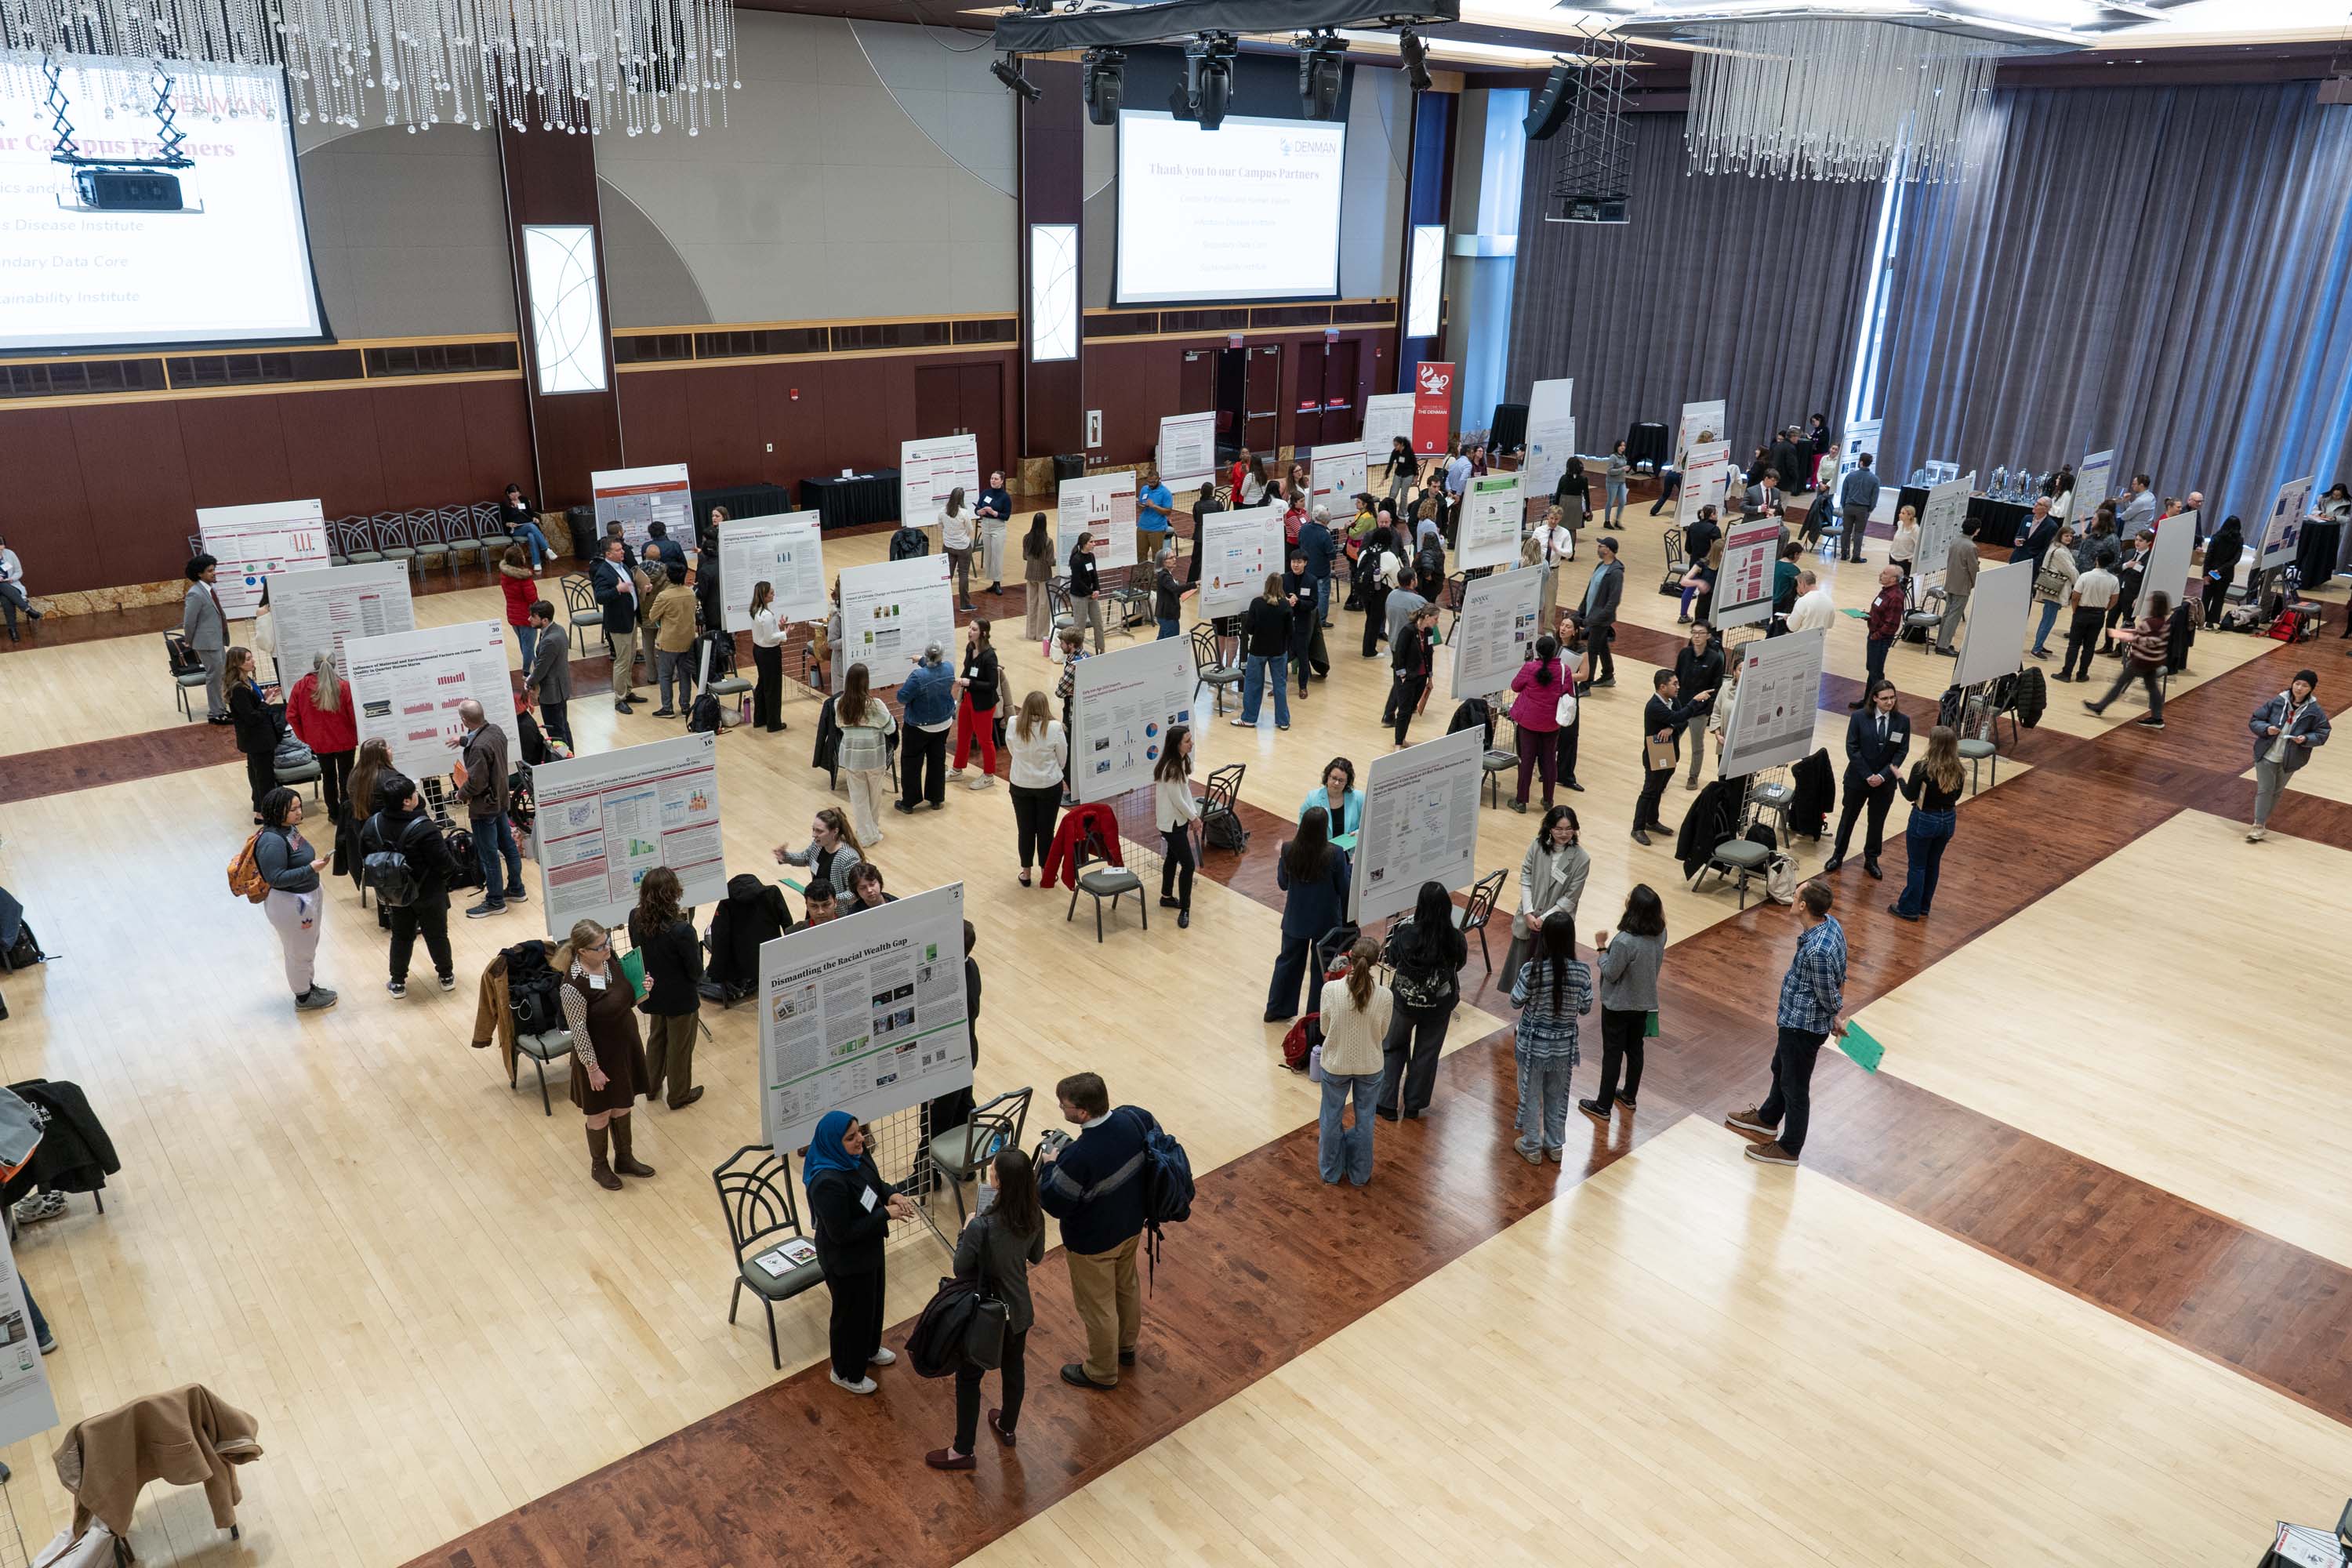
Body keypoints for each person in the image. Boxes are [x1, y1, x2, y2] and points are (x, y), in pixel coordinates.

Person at [925, 1145, 1047, 1469]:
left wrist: (966, 1229)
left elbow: (959, 1266)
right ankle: (1007, 1426)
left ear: (999, 1182)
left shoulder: (982, 1225)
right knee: (1014, 1367)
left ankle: (963, 1450)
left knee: (969, 1378)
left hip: (984, 1313)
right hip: (1019, 1308)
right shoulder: (1034, 1212)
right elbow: (1035, 1256)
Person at [1037, 1072, 1152, 1391]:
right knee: (1126, 1287)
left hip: (1093, 1242)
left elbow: (1055, 1201)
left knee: (1098, 1307)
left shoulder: (1078, 1156)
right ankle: (1126, 1349)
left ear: (1083, 1113)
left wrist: (1050, 1164)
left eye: (1065, 1106)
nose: (1062, 1109)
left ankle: (1101, 1371)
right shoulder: (1132, 1120)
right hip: (1131, 1225)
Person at [1726, 880, 1846, 1167]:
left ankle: (1789, 1148)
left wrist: (1836, 1014)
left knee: (1796, 1088)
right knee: (1780, 1068)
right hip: (1794, 1019)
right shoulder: (1831, 925)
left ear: (1804, 905)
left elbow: (1827, 991)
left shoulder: (1817, 949)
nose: (1792, 897)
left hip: (1803, 1027)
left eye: (1795, 895)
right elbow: (1842, 971)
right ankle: (1767, 1118)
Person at [803, 1109, 914, 1393]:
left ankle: (868, 1349)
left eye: (859, 1132)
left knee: (873, 1304)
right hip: (845, 1260)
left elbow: (875, 1184)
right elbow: (842, 1234)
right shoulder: (827, 1182)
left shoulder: (858, 1155)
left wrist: (893, 1194)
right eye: (850, 1137)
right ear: (833, 1143)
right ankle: (846, 1372)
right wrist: (885, 1215)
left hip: (869, 1247)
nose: (860, 1140)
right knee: (850, 1316)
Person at [1377, 880, 1465, 1121]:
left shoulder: (1404, 933)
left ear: (1420, 906)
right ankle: (1414, 1105)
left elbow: (1392, 960)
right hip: (1439, 1006)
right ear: (1447, 908)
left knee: (1393, 1047)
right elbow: (1461, 963)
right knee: (1426, 1054)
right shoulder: (1455, 938)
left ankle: (1386, 1103)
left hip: (1404, 1003)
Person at [361, 771, 455, 997]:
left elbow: (365, 856)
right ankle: (446, 976)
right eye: (414, 794)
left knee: (401, 936)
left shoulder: (372, 824)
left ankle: (397, 982)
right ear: (406, 801)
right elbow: (446, 864)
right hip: (429, 891)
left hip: (394, 892)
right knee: (437, 934)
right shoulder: (425, 828)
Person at [1508, 912, 1591, 1164]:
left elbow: (1515, 1001)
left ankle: (1531, 1145)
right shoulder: (1582, 972)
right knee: (1557, 1095)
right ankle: (1555, 1145)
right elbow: (1585, 1006)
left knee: (1530, 1094)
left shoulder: (1531, 970)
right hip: (1564, 1047)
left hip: (1533, 1046)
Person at [1581, 885, 1665, 1120]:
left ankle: (1603, 1106)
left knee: (1612, 1055)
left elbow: (1610, 972)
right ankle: (1629, 1095)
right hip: (1644, 1003)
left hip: (1618, 1006)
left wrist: (1600, 947)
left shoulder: (1625, 941)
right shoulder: (1661, 933)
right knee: (1635, 1050)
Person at [627, 866, 705, 1110]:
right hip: (681, 998)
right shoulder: (682, 930)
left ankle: (651, 1087)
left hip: (652, 992)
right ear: (673, 894)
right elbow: (695, 970)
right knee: (680, 1047)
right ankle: (678, 1094)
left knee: (657, 1038)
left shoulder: (634, 917)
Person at [253, 786, 336, 1012]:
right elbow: (277, 878)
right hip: (290, 903)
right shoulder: (271, 841)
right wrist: (311, 868)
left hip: (306, 896)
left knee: (308, 946)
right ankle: (303, 996)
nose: (299, 813)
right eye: (293, 809)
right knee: (299, 951)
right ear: (276, 811)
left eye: (300, 807)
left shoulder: (288, 829)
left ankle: (308, 986)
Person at [1316, 938, 1391, 1186]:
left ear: (1349, 956)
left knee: (1331, 1117)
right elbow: (1382, 1033)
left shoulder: (1330, 990)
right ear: (1376, 962)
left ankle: (1330, 1172)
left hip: (1335, 1063)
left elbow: (1325, 1029)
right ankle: (1360, 1175)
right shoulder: (1385, 996)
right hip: (1370, 1066)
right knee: (1366, 1120)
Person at [1266, 807, 1349, 1022]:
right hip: (1326, 922)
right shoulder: (1336, 853)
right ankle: (1316, 1016)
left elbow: (1283, 884)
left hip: (1296, 919)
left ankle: (1277, 1009)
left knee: (1288, 962)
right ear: (1324, 828)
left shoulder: (1288, 849)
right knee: (1323, 969)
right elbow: (1344, 888)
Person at [1825, 680, 1910, 877]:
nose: (1890, 702)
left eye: (1892, 697)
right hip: (1858, 780)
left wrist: (1882, 775)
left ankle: (1871, 859)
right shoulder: (1858, 717)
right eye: (1885, 698)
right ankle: (1838, 855)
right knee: (1848, 818)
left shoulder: (1902, 721)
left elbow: (1901, 752)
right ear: (1875, 698)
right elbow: (1852, 748)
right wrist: (1868, 775)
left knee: (1877, 822)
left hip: (1884, 783)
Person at [451, 699, 524, 917]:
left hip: (485, 807)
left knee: (488, 854)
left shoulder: (479, 748)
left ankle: (495, 901)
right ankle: (516, 889)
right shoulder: (495, 731)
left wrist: (460, 794)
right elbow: (483, 745)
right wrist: (463, 740)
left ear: (464, 720)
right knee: (508, 846)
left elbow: (477, 782)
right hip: (500, 801)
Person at [1888, 724, 1965, 921]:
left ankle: (1909, 908)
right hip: (1948, 819)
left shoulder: (1922, 768)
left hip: (1925, 818)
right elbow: (1956, 796)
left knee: (1917, 866)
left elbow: (1910, 795)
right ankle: (1924, 906)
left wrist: (1900, 778)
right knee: (1933, 863)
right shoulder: (1959, 769)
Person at [2247, 669, 2330, 842]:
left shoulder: (2315, 710)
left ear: (2311, 689)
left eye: (2305, 685)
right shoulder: (2278, 701)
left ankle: (2261, 823)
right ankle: (2258, 825)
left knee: (2276, 792)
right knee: (2265, 790)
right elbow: (2255, 720)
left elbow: (2323, 732)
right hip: (2266, 755)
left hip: (2291, 759)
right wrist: (2266, 729)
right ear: (2292, 683)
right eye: (2297, 683)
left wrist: (2306, 738)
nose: (2299, 688)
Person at [283, 651, 357, 825]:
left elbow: (291, 716)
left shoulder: (300, 687)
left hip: (319, 742)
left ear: (314, 665)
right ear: (334, 665)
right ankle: (347, 815)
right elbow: (354, 716)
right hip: (345, 740)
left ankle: (334, 814)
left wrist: (306, 737)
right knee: (346, 777)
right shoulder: (345, 687)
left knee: (328, 776)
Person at [1634, 669, 1704, 847]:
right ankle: (1638, 828)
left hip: (1670, 753)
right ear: (1662, 687)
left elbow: (1682, 721)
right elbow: (1679, 716)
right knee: (1649, 791)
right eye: (1674, 684)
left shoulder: (1673, 700)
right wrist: (1694, 701)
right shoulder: (1654, 706)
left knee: (1659, 789)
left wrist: (1671, 728)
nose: (1678, 687)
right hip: (1655, 755)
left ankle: (1652, 821)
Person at [2083, 590, 2172, 729]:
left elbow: (2138, 639)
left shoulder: (2149, 623)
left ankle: (2100, 707)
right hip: (2154, 661)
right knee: (2153, 689)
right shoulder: (2164, 623)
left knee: (2120, 684)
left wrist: (2117, 634)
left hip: (2141, 662)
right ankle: (2157, 717)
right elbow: (2150, 639)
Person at [1007, 690, 1065, 887]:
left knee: (1025, 830)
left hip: (1020, 784)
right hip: (1049, 785)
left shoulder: (1014, 723)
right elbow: (1062, 759)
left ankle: (1026, 873)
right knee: (1046, 830)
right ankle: (1046, 873)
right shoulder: (1055, 728)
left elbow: (1012, 750)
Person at [1507, 634, 1571, 811]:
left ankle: (1521, 802)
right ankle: (1548, 800)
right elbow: (1569, 692)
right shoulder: (1565, 670)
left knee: (1526, 760)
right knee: (1549, 760)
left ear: (1538, 651)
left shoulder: (1530, 667)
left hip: (1528, 723)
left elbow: (1515, 686)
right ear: (1555, 651)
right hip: (1551, 724)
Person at [897, 641, 956, 813]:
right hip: (943, 723)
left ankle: (909, 802)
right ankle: (936, 798)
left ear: (926, 655)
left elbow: (902, 698)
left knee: (911, 762)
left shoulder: (917, 677)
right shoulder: (949, 669)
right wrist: (922, 660)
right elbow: (935, 670)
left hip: (919, 726)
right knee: (937, 760)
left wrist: (922, 662)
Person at [779, 807, 868, 916]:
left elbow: (854, 893)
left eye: (819, 831)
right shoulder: (818, 845)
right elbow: (806, 857)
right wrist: (786, 857)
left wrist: (830, 900)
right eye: (813, 829)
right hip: (816, 905)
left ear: (835, 831)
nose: (814, 835)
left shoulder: (849, 858)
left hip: (836, 912)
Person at [1154, 725, 1200, 928]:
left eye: (1191, 739)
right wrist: (1194, 818)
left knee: (1173, 857)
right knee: (1189, 865)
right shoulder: (1172, 768)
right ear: (1177, 745)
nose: (1191, 743)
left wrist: (1193, 816)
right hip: (1171, 823)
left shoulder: (1180, 762)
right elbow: (1177, 800)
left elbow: (1186, 793)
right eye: (1187, 741)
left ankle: (1166, 896)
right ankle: (1185, 909)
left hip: (1178, 821)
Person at [1235, 574, 1294, 731]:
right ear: (1281, 586)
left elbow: (1250, 628)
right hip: (1279, 650)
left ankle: (1248, 719)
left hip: (1258, 650)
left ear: (1266, 585)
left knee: (1253, 684)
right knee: (1279, 685)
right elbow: (1290, 631)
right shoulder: (1285, 605)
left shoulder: (1256, 603)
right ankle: (1283, 721)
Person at [1671, 622, 1726, 789]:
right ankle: (1664, 773)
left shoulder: (1715, 659)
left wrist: (1708, 710)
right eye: (1694, 632)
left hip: (1699, 711)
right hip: (1681, 707)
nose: (1696, 636)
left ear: (1708, 636)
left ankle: (1693, 777)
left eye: (1700, 633)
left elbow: (1716, 688)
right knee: (1671, 741)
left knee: (1697, 745)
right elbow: (1676, 678)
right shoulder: (1684, 654)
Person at [225, 647, 278, 819]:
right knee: (263, 777)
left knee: (258, 774)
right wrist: (267, 703)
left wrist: (264, 696)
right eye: (248, 659)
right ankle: (266, 813)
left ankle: (260, 809)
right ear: (237, 664)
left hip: (258, 737)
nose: (253, 661)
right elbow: (252, 717)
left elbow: (252, 704)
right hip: (257, 739)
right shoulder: (239, 689)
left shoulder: (247, 682)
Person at [948, 620, 1001, 789]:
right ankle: (957, 769)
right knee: (963, 735)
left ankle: (988, 775)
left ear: (983, 633)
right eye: (969, 628)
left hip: (983, 704)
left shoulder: (990, 656)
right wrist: (961, 682)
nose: (969, 631)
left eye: (974, 629)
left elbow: (992, 685)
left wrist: (970, 683)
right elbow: (967, 668)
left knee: (985, 740)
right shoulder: (970, 648)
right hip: (968, 699)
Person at [590, 538, 641, 712]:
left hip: (631, 618)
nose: (623, 552)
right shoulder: (603, 572)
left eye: (622, 549)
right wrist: (617, 590)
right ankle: (619, 699)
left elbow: (631, 588)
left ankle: (627, 691)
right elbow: (600, 597)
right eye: (618, 550)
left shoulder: (623, 566)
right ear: (608, 554)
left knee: (631, 657)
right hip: (619, 622)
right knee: (622, 660)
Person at [2057, 547, 2121, 684]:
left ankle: (2066, 673)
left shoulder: (2085, 576)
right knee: (2089, 646)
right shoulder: (2114, 580)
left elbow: (2075, 597)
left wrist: (2075, 610)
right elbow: (2114, 600)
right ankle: (2082, 674)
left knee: (2074, 644)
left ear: (2097, 560)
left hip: (2082, 612)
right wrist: (2105, 609)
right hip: (2099, 614)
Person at [645, 563, 699, 717]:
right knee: (685, 675)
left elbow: (652, 616)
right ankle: (685, 706)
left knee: (665, 676)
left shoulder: (664, 596)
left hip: (668, 642)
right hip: (688, 641)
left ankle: (667, 708)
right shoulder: (690, 593)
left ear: (668, 576)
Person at [183, 554, 232, 723]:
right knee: (214, 677)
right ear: (199, 574)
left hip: (217, 640)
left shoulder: (209, 590)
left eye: (214, 569)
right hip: (207, 643)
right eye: (210, 571)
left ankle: (222, 708)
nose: (214, 573)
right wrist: (188, 640)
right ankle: (216, 713)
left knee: (222, 675)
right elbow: (189, 621)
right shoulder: (195, 594)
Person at [522, 600, 574, 750]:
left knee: (556, 731)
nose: (529, 619)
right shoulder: (559, 630)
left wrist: (528, 682)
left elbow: (541, 669)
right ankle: (571, 758)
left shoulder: (550, 640)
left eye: (533, 617)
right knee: (563, 726)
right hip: (561, 688)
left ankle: (564, 764)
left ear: (544, 620)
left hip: (552, 693)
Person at [1573, 536, 1622, 688]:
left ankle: (1586, 684)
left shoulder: (1616, 573)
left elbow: (1614, 601)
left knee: (1592, 650)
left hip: (1601, 619)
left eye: (1601, 546)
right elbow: (1590, 591)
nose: (1598, 548)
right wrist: (1580, 611)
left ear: (1608, 550)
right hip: (1592, 614)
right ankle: (1608, 675)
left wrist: (1595, 618)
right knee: (1602, 645)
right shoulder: (1601, 565)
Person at [1388, 603, 1439, 747]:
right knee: (1403, 710)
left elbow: (1429, 654)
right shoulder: (1408, 630)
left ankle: (1402, 738)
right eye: (1435, 619)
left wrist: (1430, 678)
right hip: (1408, 678)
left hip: (1421, 677)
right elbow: (1399, 655)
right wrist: (1402, 676)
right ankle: (1398, 742)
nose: (1437, 622)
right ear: (1427, 617)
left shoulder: (1429, 632)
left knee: (1411, 709)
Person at [2027, 529, 2078, 662]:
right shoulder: (2061, 552)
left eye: (2071, 536)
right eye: (2066, 535)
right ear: (2060, 535)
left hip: (2051, 588)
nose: (2069, 538)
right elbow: (2071, 571)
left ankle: (2039, 645)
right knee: (2048, 620)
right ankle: (2036, 649)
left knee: (2047, 619)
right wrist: (2079, 585)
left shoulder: (2055, 547)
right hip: (2055, 590)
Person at [1932, 521, 1980, 655]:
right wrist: (1976, 583)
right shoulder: (1971, 547)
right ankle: (1943, 645)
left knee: (1948, 613)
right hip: (1962, 585)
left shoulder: (1955, 540)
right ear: (1977, 530)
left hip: (1951, 581)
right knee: (1954, 616)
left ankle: (1941, 643)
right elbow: (1973, 568)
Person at [497, 545, 539, 673]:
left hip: (513, 614)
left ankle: (536, 668)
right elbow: (532, 598)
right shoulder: (524, 578)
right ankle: (527, 671)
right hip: (527, 616)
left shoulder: (504, 575)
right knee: (529, 646)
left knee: (524, 644)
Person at [2200, 514, 2245, 627]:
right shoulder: (2239, 540)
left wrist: (2206, 574)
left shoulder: (2216, 537)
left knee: (2206, 597)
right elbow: (2236, 559)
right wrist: (2220, 570)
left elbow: (2209, 556)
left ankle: (2201, 620)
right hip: (2226, 574)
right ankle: (2212, 622)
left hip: (2211, 572)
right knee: (2219, 599)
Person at [1301, 757, 1363, 839]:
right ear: (1327, 776)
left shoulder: (1359, 798)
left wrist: (1358, 834)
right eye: (1334, 778)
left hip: (1350, 850)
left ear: (1347, 782)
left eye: (1341, 780)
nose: (1337, 783)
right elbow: (1302, 828)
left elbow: (1369, 825)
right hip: (1321, 850)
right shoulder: (1312, 798)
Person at [1068, 531, 1106, 655]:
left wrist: (1097, 589)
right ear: (1084, 544)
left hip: (1090, 595)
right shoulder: (1076, 560)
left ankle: (1102, 649)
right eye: (1091, 542)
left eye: (1094, 541)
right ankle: (1078, 652)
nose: (1094, 544)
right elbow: (1077, 581)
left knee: (1098, 622)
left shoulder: (1091, 556)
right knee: (1080, 626)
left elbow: (1094, 575)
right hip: (1079, 596)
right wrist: (1090, 592)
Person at [498, 484, 554, 567]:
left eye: (517, 493)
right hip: (516, 529)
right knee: (531, 527)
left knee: (531, 535)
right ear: (508, 494)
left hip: (528, 525)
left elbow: (531, 513)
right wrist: (509, 524)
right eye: (513, 494)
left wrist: (534, 518)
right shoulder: (505, 504)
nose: (515, 496)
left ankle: (536, 563)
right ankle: (547, 549)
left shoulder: (524, 500)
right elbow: (503, 520)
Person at [1837, 452, 1879, 563]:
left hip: (1849, 507)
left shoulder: (1850, 476)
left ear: (1860, 462)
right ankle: (1856, 556)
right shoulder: (1875, 479)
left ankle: (1844, 553)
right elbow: (1874, 498)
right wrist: (1870, 509)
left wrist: (1844, 505)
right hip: (1863, 509)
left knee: (1846, 531)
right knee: (1859, 533)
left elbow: (1843, 494)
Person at [975, 471, 1013, 594]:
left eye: (996, 479)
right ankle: (992, 581)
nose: (993, 480)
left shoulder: (1005, 497)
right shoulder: (986, 493)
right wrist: (979, 512)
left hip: (998, 528)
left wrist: (994, 513)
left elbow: (1006, 516)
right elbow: (977, 507)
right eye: (992, 478)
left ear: (1002, 481)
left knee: (997, 555)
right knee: (989, 555)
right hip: (986, 526)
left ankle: (998, 583)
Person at [941, 487, 978, 612]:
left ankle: (943, 604)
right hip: (963, 547)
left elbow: (940, 526)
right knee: (963, 575)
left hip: (948, 546)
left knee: (947, 576)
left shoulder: (942, 511)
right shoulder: (964, 513)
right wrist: (962, 536)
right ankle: (964, 605)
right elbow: (970, 530)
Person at [1020, 514, 1055, 641]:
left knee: (1031, 603)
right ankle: (1041, 635)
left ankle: (1030, 633)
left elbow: (1025, 556)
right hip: (1044, 576)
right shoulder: (1048, 541)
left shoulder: (1026, 538)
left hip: (1030, 574)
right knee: (1043, 605)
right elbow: (1050, 561)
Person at [0, 533, 42, 641]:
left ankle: (12, 630)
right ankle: (27, 609)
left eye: (2, 548)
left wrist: (12, 579)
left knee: (6, 599)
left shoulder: (10, 554)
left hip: (11, 585)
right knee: (2, 585)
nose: (1, 551)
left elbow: (19, 571)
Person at [1137, 463, 1174, 561]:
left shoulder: (1165, 492)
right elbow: (1140, 508)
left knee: (1157, 557)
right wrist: (1140, 506)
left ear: (1159, 479)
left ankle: (1156, 576)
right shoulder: (1144, 489)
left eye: (1153, 482)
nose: (1150, 484)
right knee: (1141, 555)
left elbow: (1168, 512)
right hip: (1142, 527)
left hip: (1157, 529)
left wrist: (1154, 506)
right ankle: (1142, 576)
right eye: (1149, 482)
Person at [1785, 569, 1836, 634]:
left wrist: (1789, 619)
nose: (1798, 588)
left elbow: (1792, 627)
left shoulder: (1802, 601)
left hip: (1802, 641)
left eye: (1798, 584)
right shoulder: (1829, 600)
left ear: (1802, 583)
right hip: (1819, 640)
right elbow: (1830, 624)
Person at [1152, 546, 1187, 641]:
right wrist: (1193, 585)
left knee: (1161, 642)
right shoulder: (1164, 576)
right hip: (1168, 616)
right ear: (1163, 562)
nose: (1174, 560)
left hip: (1165, 615)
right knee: (1172, 644)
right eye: (1171, 558)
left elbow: (1172, 591)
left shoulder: (1166, 574)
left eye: (1174, 557)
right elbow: (1175, 589)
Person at [251, 580, 278, 686]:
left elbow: (264, 642)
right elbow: (264, 641)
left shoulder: (263, 610)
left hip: (281, 651)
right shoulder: (263, 610)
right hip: (278, 652)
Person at [1887, 504, 1920, 586]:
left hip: (1905, 560)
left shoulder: (1915, 529)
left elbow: (1918, 546)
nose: (1900, 514)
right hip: (1893, 556)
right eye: (1900, 512)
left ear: (1910, 516)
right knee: (1891, 581)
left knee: (1901, 585)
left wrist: (1912, 559)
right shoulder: (1900, 524)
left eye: (1903, 513)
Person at [1601, 441, 1630, 528]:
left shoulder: (1624, 457)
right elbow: (1610, 471)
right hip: (1612, 483)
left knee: (1623, 501)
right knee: (1610, 502)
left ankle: (1617, 521)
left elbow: (1623, 469)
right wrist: (1622, 469)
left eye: (1624, 446)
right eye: (1621, 446)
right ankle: (1606, 521)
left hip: (1622, 482)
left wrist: (1626, 469)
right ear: (1617, 447)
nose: (1623, 447)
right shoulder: (1613, 457)